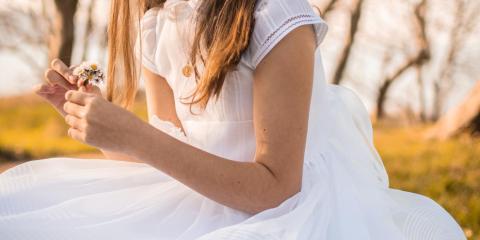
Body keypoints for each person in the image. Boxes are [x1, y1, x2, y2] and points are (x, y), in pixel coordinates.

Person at [0, 0, 466, 239]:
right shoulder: (158, 20)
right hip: (196, 194)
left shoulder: (275, 16)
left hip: (286, 208)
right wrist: (98, 124)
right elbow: (167, 149)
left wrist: (136, 136)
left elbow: (277, 187)